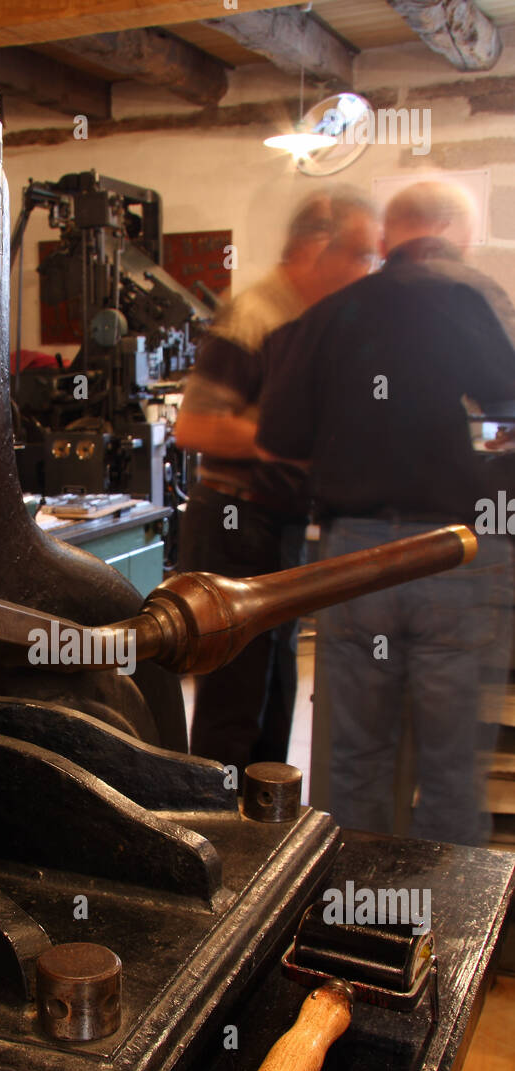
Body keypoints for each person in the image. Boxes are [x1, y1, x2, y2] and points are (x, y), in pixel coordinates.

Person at [256, 181, 515, 846]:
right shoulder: (472, 296)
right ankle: (446, 935)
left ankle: (351, 928)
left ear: (387, 236)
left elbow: (279, 436)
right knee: (451, 769)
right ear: (456, 231)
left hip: (355, 559)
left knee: (352, 764)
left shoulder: (333, 312)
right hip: (455, 550)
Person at [174, 192, 380, 776]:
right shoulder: (259, 314)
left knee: (278, 683)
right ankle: (215, 831)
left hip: (280, 520)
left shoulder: (315, 319)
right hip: (235, 522)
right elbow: (194, 426)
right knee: (233, 696)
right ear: (316, 248)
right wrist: (288, 440)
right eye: (360, 255)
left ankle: (265, 819)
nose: (366, 272)